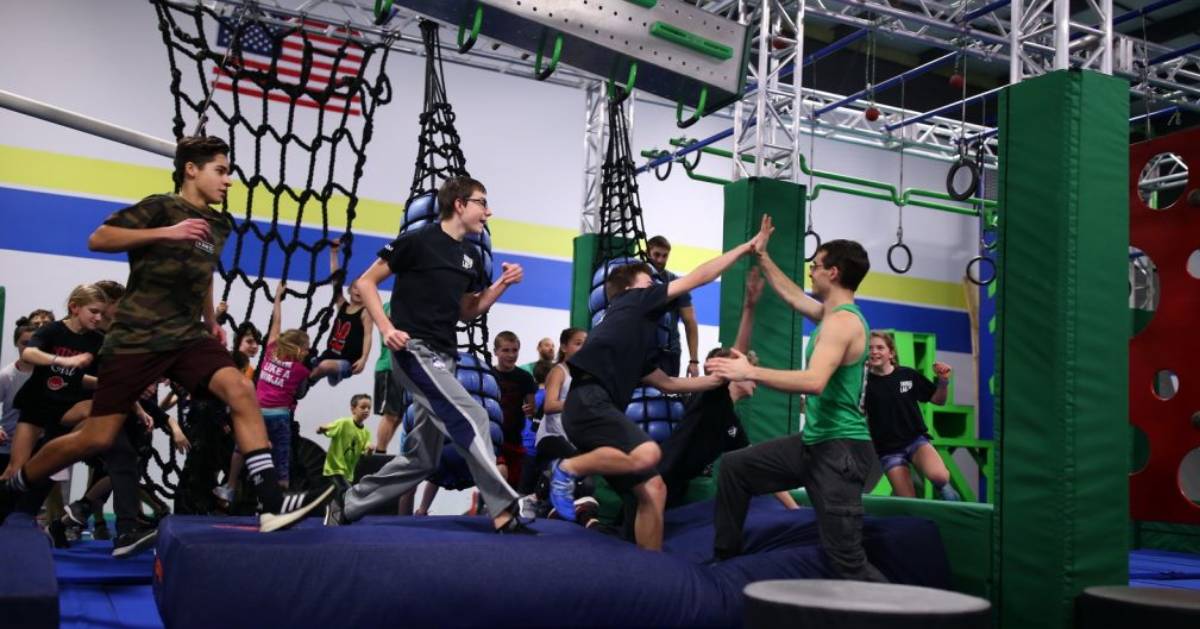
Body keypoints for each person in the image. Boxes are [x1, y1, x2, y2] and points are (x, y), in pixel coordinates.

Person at [0, 136, 329, 533]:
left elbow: (203, 272)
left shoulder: (219, 224)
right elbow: (98, 238)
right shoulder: (160, 207)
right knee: (97, 437)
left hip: (187, 336)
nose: (228, 181)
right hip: (136, 339)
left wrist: (211, 321)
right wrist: (166, 233)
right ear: (191, 169)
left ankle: (272, 504)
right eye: (220, 171)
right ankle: (16, 482)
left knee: (241, 391)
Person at [324, 175, 532, 534]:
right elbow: (365, 283)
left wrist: (501, 285)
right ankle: (504, 508)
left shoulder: (469, 255)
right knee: (475, 417)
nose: (489, 211)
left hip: (444, 355)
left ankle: (346, 505)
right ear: (459, 205)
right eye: (482, 202)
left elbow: (468, 309)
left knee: (423, 458)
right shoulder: (417, 241)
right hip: (413, 349)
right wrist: (387, 328)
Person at [548, 225, 769, 551]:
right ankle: (568, 468)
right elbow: (699, 277)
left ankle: (652, 570)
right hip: (589, 401)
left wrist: (724, 375)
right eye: (649, 279)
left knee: (653, 489)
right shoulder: (635, 300)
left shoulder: (636, 342)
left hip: (591, 410)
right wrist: (745, 248)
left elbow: (668, 383)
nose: (656, 283)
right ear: (630, 289)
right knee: (649, 452)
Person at [706, 218, 886, 582]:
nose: (811, 271)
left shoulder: (843, 324)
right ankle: (725, 565)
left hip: (840, 452)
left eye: (815, 266)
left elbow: (814, 381)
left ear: (833, 273)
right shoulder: (831, 314)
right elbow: (791, 295)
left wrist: (749, 372)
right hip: (815, 444)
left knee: (847, 561)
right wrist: (763, 256)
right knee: (736, 468)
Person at [658, 268, 798, 511]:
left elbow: (759, 466)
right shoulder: (711, 395)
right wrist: (749, 307)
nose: (754, 378)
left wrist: (794, 509)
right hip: (658, 480)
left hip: (675, 488)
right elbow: (738, 352)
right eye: (748, 371)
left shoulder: (732, 423)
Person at [1, 284, 108, 546]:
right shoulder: (54, 330)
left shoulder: (97, 340)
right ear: (74, 307)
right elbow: (29, 352)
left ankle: (45, 518)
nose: (98, 318)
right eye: (93, 311)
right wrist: (62, 361)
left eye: (102, 314)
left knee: (92, 411)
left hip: (65, 408)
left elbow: (91, 378)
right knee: (15, 470)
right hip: (37, 404)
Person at [865, 331, 959, 501]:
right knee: (909, 502)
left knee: (940, 477)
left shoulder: (907, 375)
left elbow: (938, 400)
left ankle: (947, 490)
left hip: (915, 441)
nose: (874, 351)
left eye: (880, 347)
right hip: (889, 450)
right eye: (870, 348)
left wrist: (943, 381)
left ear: (891, 353)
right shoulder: (864, 383)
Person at [251, 281, 312, 489]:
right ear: (297, 349)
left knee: (255, 454)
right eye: (306, 349)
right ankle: (281, 491)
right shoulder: (300, 370)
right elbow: (302, 390)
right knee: (281, 458)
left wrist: (278, 298)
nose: (307, 352)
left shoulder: (269, 350)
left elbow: (275, 323)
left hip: (257, 414)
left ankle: (246, 490)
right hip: (278, 416)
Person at [308, 238, 372, 387]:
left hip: (347, 361)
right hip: (329, 354)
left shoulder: (365, 312)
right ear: (350, 289)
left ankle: (309, 383)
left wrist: (363, 359)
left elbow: (368, 336)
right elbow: (336, 280)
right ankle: (331, 375)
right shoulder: (342, 305)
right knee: (306, 361)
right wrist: (334, 254)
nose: (358, 291)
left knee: (324, 367)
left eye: (362, 289)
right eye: (356, 287)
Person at [647, 235, 700, 378]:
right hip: (640, 351)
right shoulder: (635, 278)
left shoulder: (676, 282)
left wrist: (694, 361)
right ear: (647, 253)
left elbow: (690, 322)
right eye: (656, 255)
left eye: (665, 256)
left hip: (669, 353)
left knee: (666, 398)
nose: (660, 260)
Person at [492, 331, 537, 488]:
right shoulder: (489, 375)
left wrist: (529, 411)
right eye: (505, 350)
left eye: (515, 350)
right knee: (500, 472)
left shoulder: (525, 378)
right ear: (496, 352)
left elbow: (533, 411)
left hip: (515, 439)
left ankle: (494, 509)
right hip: (494, 439)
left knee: (513, 485)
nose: (511, 355)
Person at [318, 394, 373, 494]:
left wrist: (370, 449)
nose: (366, 410)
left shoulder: (366, 433)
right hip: (335, 469)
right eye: (363, 407)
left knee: (339, 498)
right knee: (348, 496)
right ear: (353, 409)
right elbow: (327, 428)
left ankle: (334, 509)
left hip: (348, 474)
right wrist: (321, 429)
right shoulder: (343, 423)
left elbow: (366, 453)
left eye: (369, 408)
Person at [369, 302, 402, 454]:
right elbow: (390, 321)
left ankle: (381, 451)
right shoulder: (391, 305)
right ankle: (380, 452)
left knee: (399, 416)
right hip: (389, 367)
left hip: (406, 370)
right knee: (391, 414)